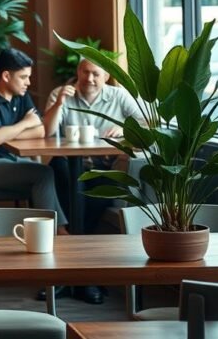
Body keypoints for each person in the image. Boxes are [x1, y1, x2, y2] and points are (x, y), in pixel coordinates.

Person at [40, 57, 144, 305]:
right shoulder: (61, 93)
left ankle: (71, 275)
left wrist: (124, 129)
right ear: (78, 71)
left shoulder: (118, 96)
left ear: (106, 76)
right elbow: (48, 131)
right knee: (58, 165)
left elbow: (147, 123)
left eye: (96, 74)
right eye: (85, 72)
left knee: (102, 191)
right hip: (68, 169)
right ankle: (87, 279)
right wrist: (60, 103)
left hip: (103, 168)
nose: (90, 78)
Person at [0, 48, 68, 230]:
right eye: (23, 77)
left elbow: (40, 131)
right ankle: (56, 232)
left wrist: (8, 132)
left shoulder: (21, 96)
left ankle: (46, 232)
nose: (28, 82)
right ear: (6, 76)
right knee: (43, 174)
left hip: (9, 160)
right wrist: (25, 123)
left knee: (52, 170)